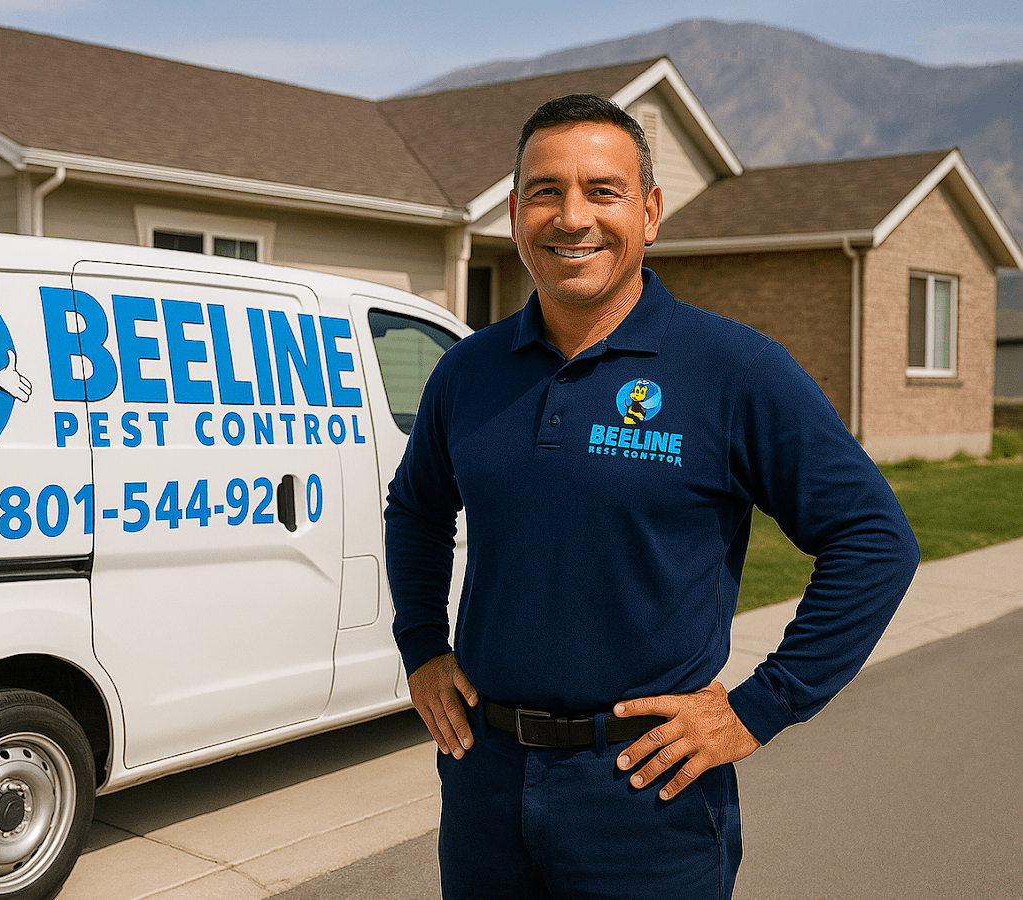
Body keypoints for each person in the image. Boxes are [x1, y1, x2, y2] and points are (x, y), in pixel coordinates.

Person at [384, 93, 919, 899]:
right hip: (484, 777)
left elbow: (875, 540)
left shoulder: (734, 369)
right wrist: (422, 647)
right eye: (545, 191)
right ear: (515, 212)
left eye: (602, 190)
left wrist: (756, 709)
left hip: (645, 788)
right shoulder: (470, 370)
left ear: (651, 211)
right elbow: (418, 509)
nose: (572, 218)